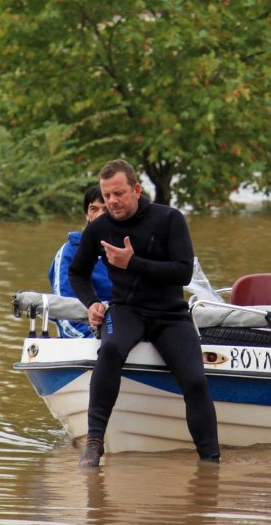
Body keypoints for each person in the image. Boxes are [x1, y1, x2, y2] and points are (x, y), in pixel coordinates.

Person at [68, 159, 220, 467]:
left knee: (195, 381)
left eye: (119, 193)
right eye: (106, 195)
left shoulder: (169, 219)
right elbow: (77, 273)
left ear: (136, 190)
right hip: (127, 310)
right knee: (110, 349)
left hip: (170, 314)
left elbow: (183, 273)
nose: (112, 201)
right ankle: (94, 444)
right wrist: (92, 302)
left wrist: (132, 263)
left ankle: (210, 462)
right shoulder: (99, 228)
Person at [47, 185, 112, 338]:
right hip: (88, 336)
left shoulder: (128, 248)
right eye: (94, 209)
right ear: (87, 215)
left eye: (106, 209)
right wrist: (95, 339)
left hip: (125, 329)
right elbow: (65, 314)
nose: (99, 215)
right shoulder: (69, 252)